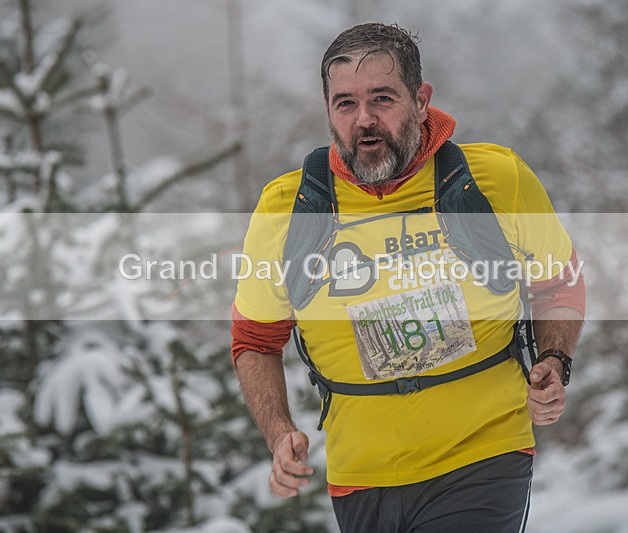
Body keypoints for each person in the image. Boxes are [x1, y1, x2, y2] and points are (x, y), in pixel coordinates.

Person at [231, 22, 585, 532]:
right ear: (327, 109)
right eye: (345, 103)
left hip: (483, 454)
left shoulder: (495, 180)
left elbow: (560, 282)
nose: (365, 119)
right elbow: (255, 339)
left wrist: (554, 359)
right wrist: (278, 429)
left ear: (421, 100)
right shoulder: (289, 210)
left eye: (382, 98)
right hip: (360, 477)